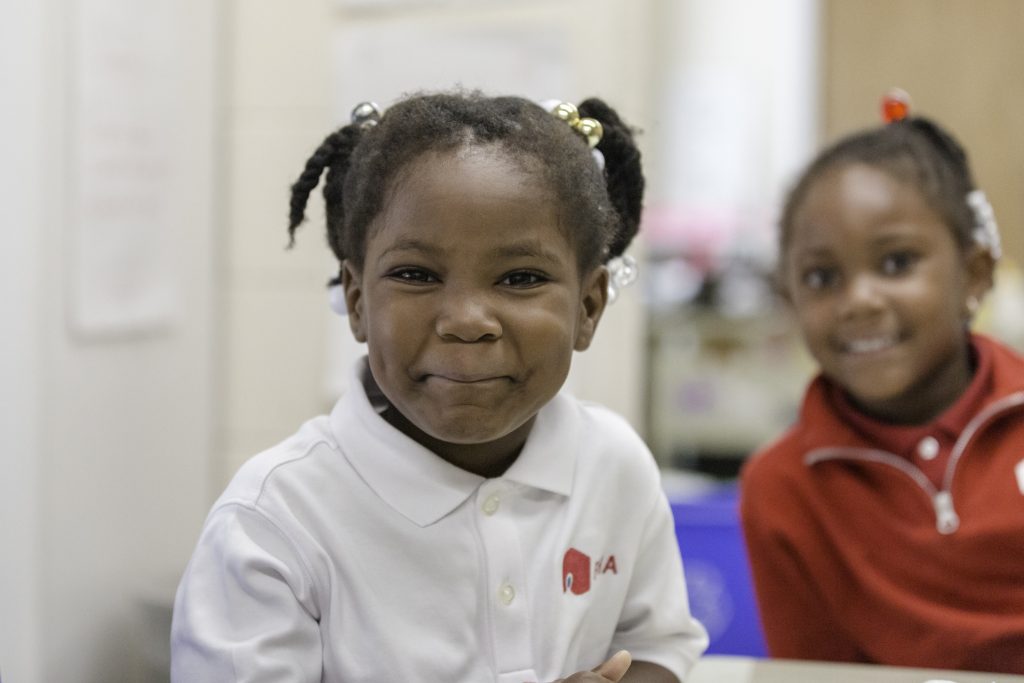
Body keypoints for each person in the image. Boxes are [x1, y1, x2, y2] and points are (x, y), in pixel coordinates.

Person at [171, 90, 708, 683]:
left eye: (520, 278)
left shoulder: (614, 465)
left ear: (588, 307)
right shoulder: (273, 521)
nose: (467, 321)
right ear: (357, 302)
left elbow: (658, 646)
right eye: (415, 274)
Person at [739, 90, 1024, 673]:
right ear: (790, 300)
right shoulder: (782, 489)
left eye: (896, 263)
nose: (859, 301)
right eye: (822, 277)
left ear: (974, 275)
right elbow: (812, 676)